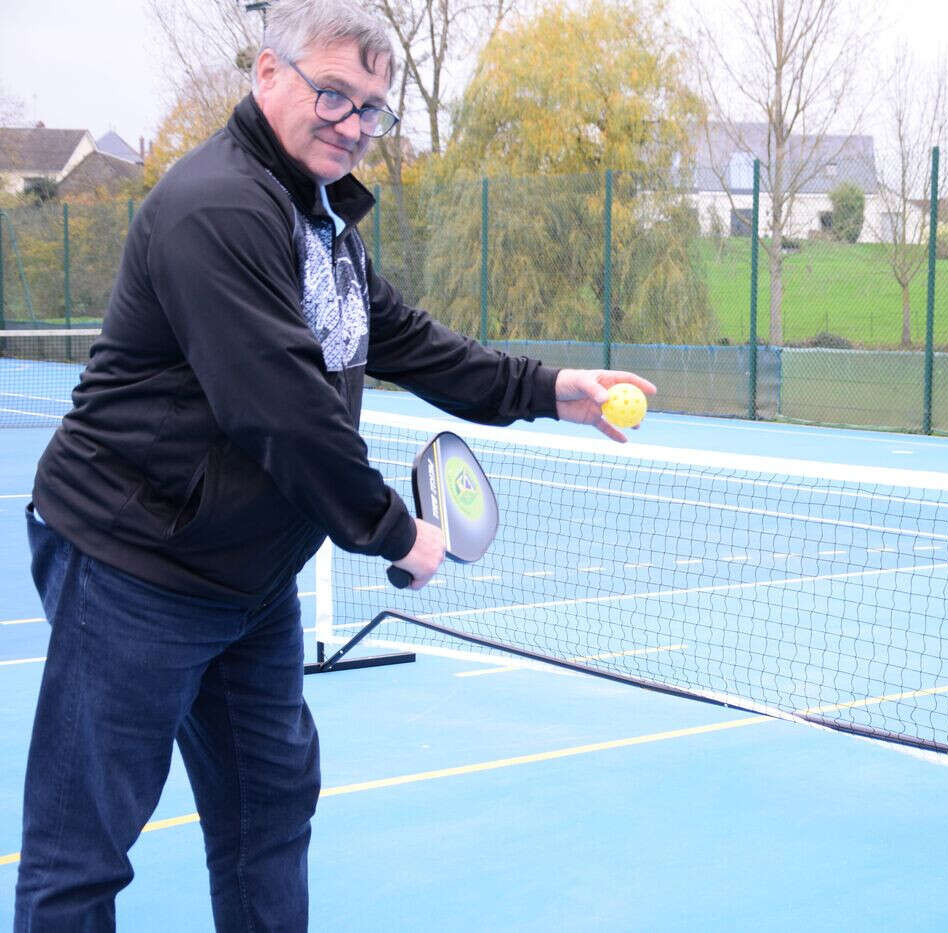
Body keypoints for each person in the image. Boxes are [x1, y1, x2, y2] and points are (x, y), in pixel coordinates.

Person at [13, 0, 655, 928]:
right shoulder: (216, 207)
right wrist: (397, 531)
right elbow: (282, 410)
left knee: (268, 815)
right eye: (333, 95)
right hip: (133, 565)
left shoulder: (320, 227)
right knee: (83, 852)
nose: (353, 125)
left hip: (249, 580)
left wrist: (556, 388)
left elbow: (413, 342)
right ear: (266, 73)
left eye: (371, 111)